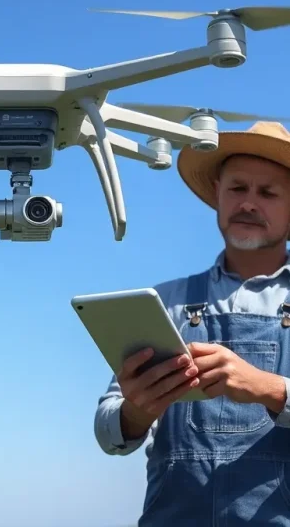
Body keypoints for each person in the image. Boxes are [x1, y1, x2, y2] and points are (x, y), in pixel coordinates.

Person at [94, 121, 290, 526]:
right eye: (237, 188)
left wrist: (269, 388)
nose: (248, 203)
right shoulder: (164, 302)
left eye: (268, 193)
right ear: (217, 194)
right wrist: (135, 411)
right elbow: (107, 430)